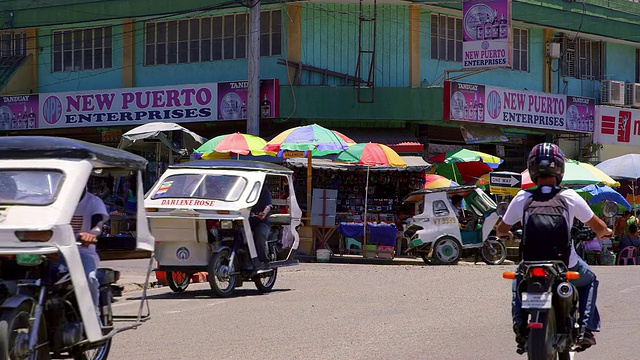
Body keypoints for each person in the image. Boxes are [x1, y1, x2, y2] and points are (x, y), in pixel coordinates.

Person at [496, 143, 612, 353]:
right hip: (565, 263)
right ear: (559, 169)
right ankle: (586, 329)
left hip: (530, 264)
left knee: (518, 282)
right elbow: (599, 227)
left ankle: (520, 326)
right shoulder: (569, 197)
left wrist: (506, 235)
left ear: (532, 169)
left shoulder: (523, 198)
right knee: (590, 280)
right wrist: (604, 233)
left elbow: (501, 229)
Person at [71, 185, 109, 309]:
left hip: (82, 252)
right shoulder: (53, 201)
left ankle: (93, 317)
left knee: (89, 278)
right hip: (55, 252)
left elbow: (98, 225)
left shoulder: (93, 202)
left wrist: (91, 235)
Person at [250, 183, 273, 264]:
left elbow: (269, 206)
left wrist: (263, 213)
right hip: (246, 222)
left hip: (261, 222)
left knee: (259, 233)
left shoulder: (264, 191)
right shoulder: (242, 190)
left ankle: (262, 261)